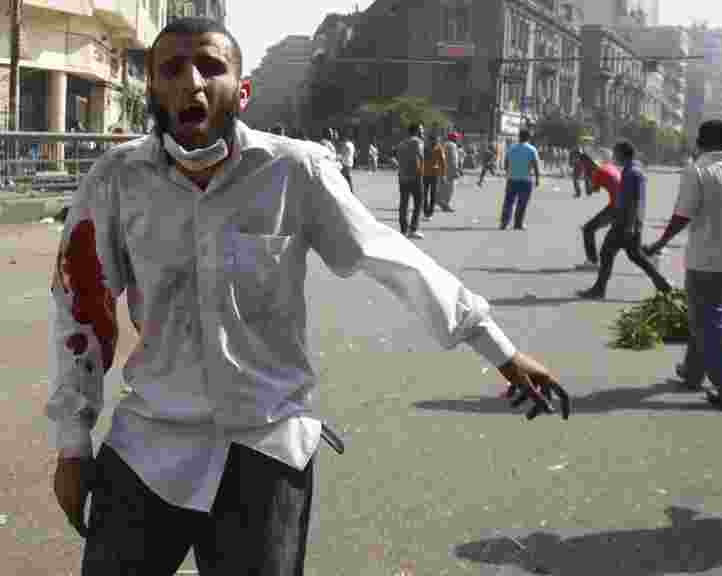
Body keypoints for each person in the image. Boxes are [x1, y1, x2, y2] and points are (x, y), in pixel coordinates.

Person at [46, 18, 570, 575]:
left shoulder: (296, 170)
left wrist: (500, 349)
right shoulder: (116, 178)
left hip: (266, 451)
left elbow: (389, 256)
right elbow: (80, 307)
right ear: (152, 89)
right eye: (172, 69)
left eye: (211, 68)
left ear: (241, 91)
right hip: (148, 447)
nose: (192, 84)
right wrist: (73, 445)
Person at [642, 120, 722, 411]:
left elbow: (682, 215)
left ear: (700, 142)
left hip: (706, 261)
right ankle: (693, 372)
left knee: (710, 326)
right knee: (707, 320)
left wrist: (658, 244)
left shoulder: (697, 170)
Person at [576, 140, 672, 300]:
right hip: (631, 221)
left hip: (625, 222)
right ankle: (663, 285)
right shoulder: (634, 169)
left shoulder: (630, 173)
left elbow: (632, 201)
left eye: (615, 153)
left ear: (621, 154)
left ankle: (599, 290)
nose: (613, 156)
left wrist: (628, 225)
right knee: (636, 256)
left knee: (607, 252)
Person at [577, 149, 621, 270]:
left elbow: (591, 191)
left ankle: (592, 261)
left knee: (588, 229)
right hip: (627, 204)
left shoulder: (597, 173)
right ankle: (651, 253)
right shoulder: (609, 166)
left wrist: (586, 177)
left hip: (617, 207)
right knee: (626, 238)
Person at [501, 129, 540, 230]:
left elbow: (505, 164)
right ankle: (518, 224)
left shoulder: (511, 148)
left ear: (519, 137)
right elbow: (535, 165)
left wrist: (510, 172)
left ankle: (504, 223)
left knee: (508, 202)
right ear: (528, 137)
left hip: (512, 179)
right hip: (525, 180)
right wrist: (537, 178)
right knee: (522, 203)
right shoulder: (532, 149)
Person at [397, 123, 427, 238]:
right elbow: (419, 157)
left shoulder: (401, 143)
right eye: (421, 130)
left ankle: (404, 229)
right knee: (418, 202)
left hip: (402, 176)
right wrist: (420, 173)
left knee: (404, 202)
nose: (423, 133)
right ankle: (413, 229)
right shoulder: (417, 142)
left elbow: (398, 158)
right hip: (415, 176)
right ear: (416, 131)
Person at [422, 135, 446, 221]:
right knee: (424, 194)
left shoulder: (439, 149)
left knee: (433, 194)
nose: (436, 142)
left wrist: (443, 175)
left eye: (437, 141)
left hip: (434, 174)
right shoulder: (424, 148)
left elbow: (443, 162)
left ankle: (430, 213)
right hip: (424, 174)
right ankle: (425, 212)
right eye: (435, 140)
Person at [437, 133, 461, 212]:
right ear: (454, 139)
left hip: (442, 170)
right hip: (449, 171)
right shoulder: (452, 146)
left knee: (442, 189)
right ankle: (445, 205)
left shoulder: (444, 144)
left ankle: (440, 202)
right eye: (457, 138)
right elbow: (453, 160)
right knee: (449, 190)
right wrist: (456, 170)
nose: (458, 140)